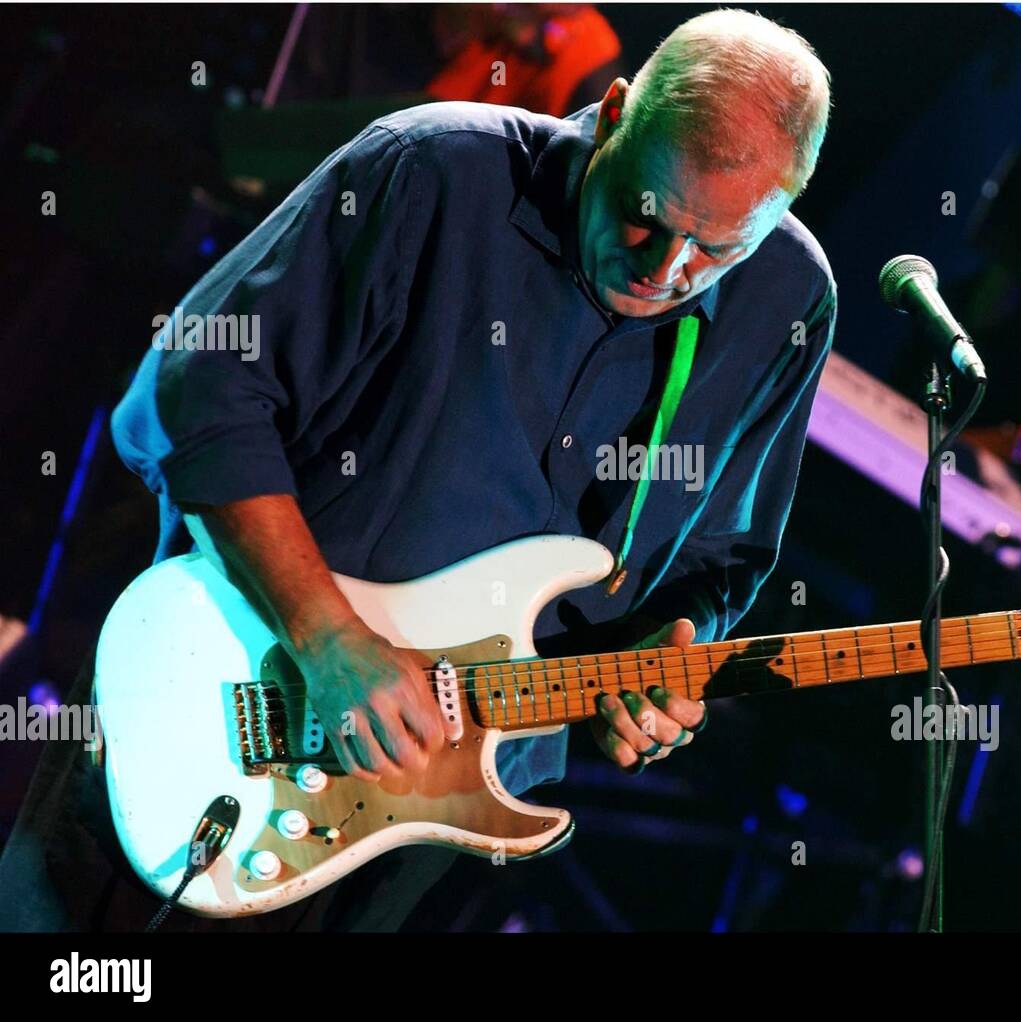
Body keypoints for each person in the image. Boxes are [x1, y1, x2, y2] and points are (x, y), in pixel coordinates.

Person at [0, 9, 835, 932]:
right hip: (230, 702)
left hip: (458, 806)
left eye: (716, 250)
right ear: (612, 113)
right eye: (645, 214)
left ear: (779, 211)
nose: (664, 267)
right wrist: (326, 635)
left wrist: (664, 658)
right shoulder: (435, 169)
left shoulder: (790, 302)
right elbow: (196, 391)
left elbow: (720, 558)